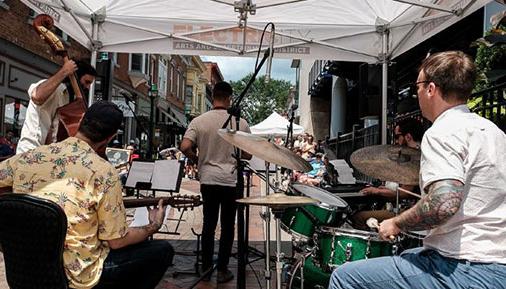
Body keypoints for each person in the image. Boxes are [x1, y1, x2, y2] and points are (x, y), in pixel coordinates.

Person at [329, 51, 506, 289]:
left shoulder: (442, 132)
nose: (417, 93)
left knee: (345, 277)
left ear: (431, 88)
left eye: (418, 86)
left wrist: (397, 223)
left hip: (461, 267)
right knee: (407, 257)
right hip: (497, 265)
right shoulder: (494, 132)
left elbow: (444, 202)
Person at [0, 101, 174, 289]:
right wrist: (153, 226)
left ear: (82, 120)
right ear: (111, 137)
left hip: (25, 266)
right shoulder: (104, 172)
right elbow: (116, 241)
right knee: (162, 250)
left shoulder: (30, 157)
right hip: (77, 278)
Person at [180, 81, 251, 283]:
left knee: (209, 224)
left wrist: (196, 158)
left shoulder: (199, 121)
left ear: (213, 97)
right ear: (230, 98)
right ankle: (222, 270)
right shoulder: (240, 122)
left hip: (208, 179)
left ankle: (206, 268)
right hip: (230, 180)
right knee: (228, 226)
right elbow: (247, 154)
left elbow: (184, 146)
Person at [16, 59, 97, 154]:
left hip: (48, 155)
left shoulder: (69, 97)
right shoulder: (51, 87)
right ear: (77, 76)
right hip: (31, 149)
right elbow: (37, 96)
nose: (88, 88)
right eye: (87, 82)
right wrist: (64, 71)